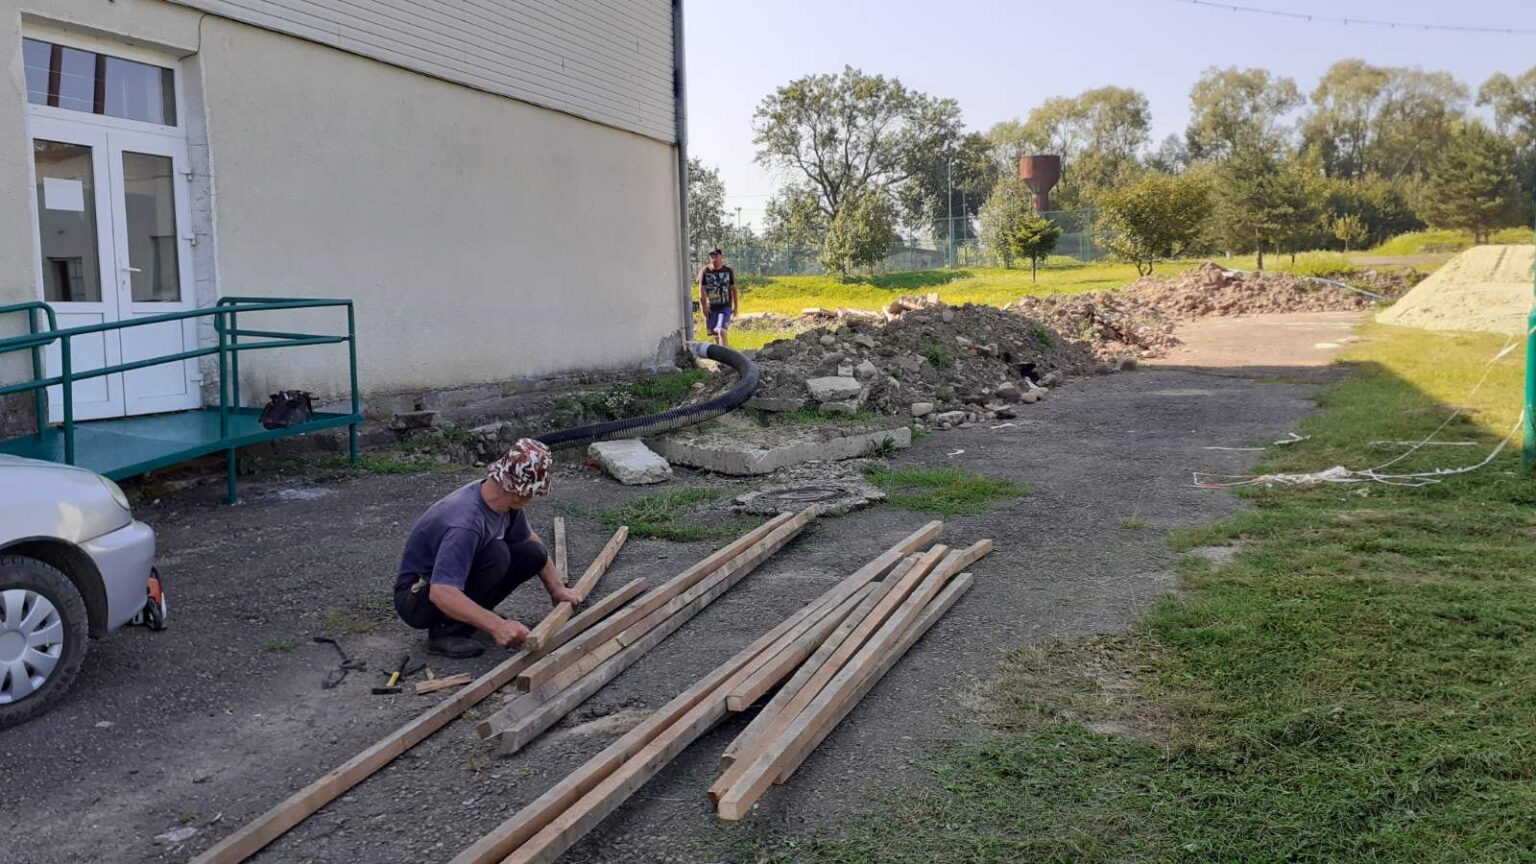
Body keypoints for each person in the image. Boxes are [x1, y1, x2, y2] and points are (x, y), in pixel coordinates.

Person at [393, 439, 583, 658]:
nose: (533, 498)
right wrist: (497, 626)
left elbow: (530, 539)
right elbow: (441, 592)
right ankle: (446, 632)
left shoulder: (503, 502)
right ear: (519, 491)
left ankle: (472, 616)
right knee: (496, 554)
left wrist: (557, 588)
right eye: (533, 493)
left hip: (446, 585)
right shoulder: (464, 525)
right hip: (416, 598)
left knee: (533, 553)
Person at [698, 248, 737, 347]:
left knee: (721, 330)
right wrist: (704, 306)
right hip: (712, 307)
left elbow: (733, 290)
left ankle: (726, 357)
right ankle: (721, 357)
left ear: (721, 257)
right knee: (715, 334)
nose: (714, 259)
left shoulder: (728, 271)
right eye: (711, 256)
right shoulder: (705, 271)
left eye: (716, 256)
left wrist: (735, 307)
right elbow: (701, 290)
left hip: (725, 306)